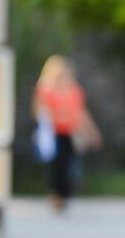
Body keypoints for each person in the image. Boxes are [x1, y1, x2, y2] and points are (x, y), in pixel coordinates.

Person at [33, 55, 100, 212]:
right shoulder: (45, 89)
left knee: (69, 165)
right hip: (53, 134)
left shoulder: (75, 90)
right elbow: (37, 111)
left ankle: (64, 194)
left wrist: (91, 132)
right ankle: (55, 195)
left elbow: (81, 112)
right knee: (57, 166)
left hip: (70, 133)